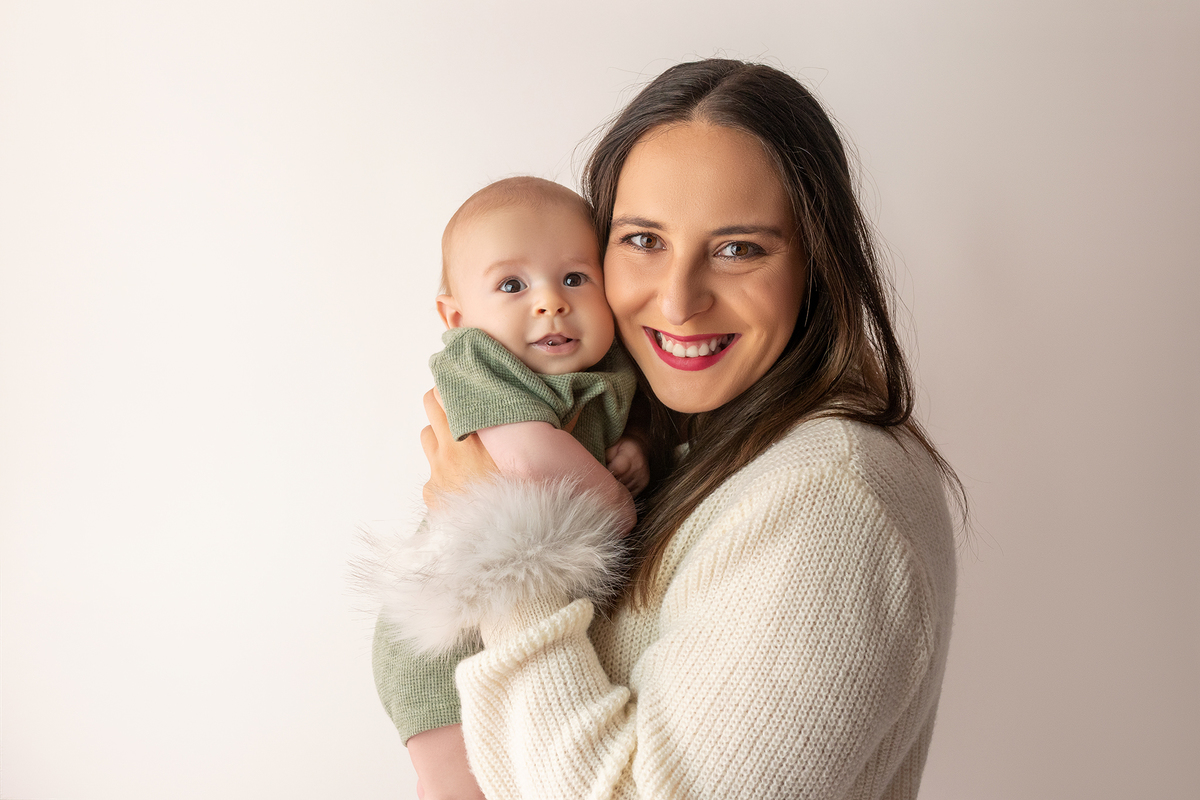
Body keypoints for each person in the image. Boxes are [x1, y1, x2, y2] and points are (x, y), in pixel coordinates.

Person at [372, 58, 962, 800]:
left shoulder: (830, 497)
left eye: (738, 249)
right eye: (644, 240)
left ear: (817, 263)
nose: (678, 302)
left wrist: (504, 533)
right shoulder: (686, 443)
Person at [369, 176, 650, 796]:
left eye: (576, 278)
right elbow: (527, 456)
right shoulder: (477, 362)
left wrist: (632, 451)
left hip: (521, 622)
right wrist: (615, 497)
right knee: (458, 786)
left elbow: (595, 446)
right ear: (457, 316)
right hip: (440, 638)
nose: (550, 302)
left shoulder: (611, 370)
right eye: (513, 285)